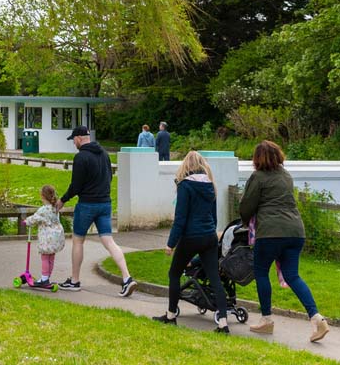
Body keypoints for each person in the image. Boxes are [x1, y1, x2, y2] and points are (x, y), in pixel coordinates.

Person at [237, 139, 330, 342]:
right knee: (292, 276)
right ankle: (317, 318)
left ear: (257, 159)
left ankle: (266, 320)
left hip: (270, 233)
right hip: (296, 231)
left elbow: (246, 206)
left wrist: (245, 220)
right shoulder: (286, 176)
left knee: (261, 272)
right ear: (278, 155)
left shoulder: (258, 177)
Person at [152, 150, 229, 332]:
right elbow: (214, 217)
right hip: (209, 237)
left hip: (191, 236)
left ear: (186, 165)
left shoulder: (185, 186)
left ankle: (171, 315)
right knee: (214, 278)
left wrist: (171, 244)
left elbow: (180, 219)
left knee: (174, 274)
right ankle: (223, 323)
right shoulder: (211, 185)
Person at [56, 125, 137, 296]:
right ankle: (127, 278)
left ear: (78, 138)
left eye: (73, 140)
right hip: (105, 203)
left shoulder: (81, 157)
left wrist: (63, 200)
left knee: (78, 240)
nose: (74, 144)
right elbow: (109, 176)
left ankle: (75, 280)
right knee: (109, 241)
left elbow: (76, 186)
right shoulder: (104, 154)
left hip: (87, 204)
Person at [21, 184, 67, 286]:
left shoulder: (43, 210)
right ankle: (47, 277)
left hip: (47, 238)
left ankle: (44, 279)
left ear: (42, 196)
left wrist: (26, 221)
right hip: (56, 237)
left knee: (45, 258)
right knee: (51, 258)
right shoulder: (55, 208)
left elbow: (34, 218)